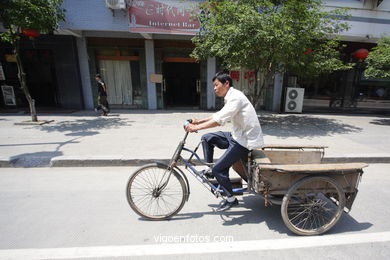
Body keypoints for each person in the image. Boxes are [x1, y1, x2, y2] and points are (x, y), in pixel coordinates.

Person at [185, 72, 264, 211]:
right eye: (213, 86)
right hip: (236, 135)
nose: (214, 88)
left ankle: (231, 199)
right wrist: (199, 121)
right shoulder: (230, 96)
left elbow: (218, 121)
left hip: (246, 140)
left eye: (216, 85)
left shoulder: (236, 98)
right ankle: (210, 170)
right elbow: (219, 114)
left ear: (226, 83)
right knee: (207, 138)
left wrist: (196, 127)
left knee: (219, 168)